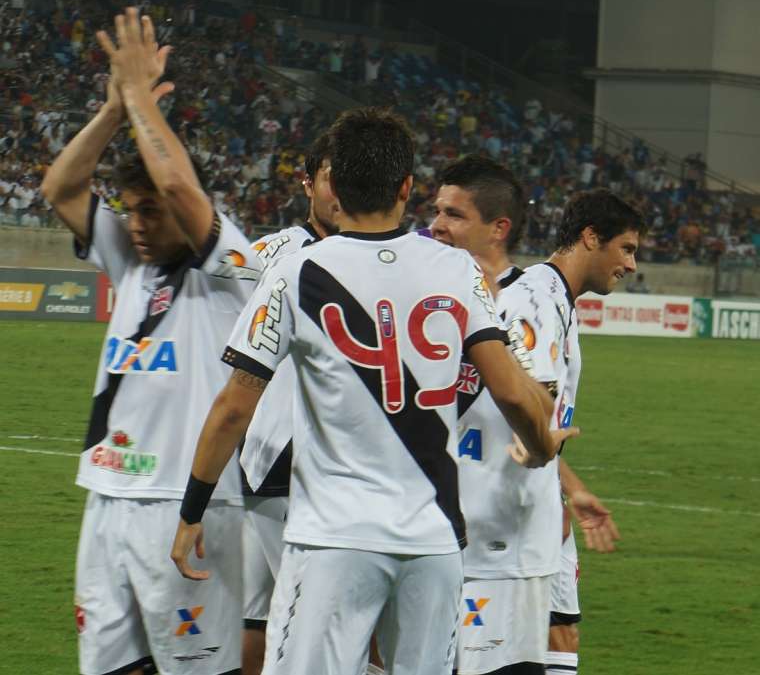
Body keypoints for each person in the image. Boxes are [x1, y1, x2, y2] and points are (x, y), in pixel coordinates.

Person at [170, 107, 562, 675]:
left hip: (335, 537)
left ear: (335, 188)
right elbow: (512, 392)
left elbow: (235, 405)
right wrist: (545, 444)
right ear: (406, 187)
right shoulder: (455, 270)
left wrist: (191, 513)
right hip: (433, 539)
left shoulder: (299, 271)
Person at [42, 8, 259, 675]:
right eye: (129, 210)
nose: (136, 224)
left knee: (196, 667)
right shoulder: (130, 262)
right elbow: (60, 187)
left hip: (187, 502)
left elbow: (175, 182)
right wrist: (112, 110)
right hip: (107, 493)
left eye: (150, 213)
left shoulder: (234, 269)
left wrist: (139, 97)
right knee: (111, 664)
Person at [432, 173, 638, 675]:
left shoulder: (552, 299)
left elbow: (535, 417)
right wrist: (540, 450)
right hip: (497, 525)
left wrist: (565, 484)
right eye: (626, 248)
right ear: (591, 237)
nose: (630, 265)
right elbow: (528, 400)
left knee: (543, 648)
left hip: (522, 518)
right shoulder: (535, 298)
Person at [237, 131, 341, 674]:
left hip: (296, 466)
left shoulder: (374, 257)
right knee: (301, 622)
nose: (340, 187)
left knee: (271, 619)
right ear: (307, 184)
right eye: (329, 176)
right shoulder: (272, 252)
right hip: (280, 459)